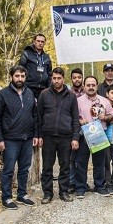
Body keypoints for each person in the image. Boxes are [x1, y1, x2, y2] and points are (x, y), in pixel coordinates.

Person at [0, 65, 40, 209]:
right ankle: (6, 197)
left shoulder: (30, 94)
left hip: (27, 138)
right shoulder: (2, 95)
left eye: (22, 76)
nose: (20, 79)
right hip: (10, 139)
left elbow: (35, 115)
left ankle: (22, 194)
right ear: (11, 77)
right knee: (8, 169)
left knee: (24, 168)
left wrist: (36, 134)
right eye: (17, 76)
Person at [37, 67, 79, 204]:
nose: (56, 81)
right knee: (47, 167)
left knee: (65, 166)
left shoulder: (71, 96)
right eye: (54, 78)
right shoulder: (44, 94)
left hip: (65, 137)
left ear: (63, 79)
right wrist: (39, 135)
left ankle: (64, 192)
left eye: (59, 78)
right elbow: (39, 116)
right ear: (51, 79)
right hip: (48, 136)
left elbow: (75, 119)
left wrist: (75, 138)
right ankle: (47, 193)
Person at [74, 76, 113, 198]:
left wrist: (105, 118)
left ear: (97, 86)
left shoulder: (104, 101)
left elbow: (111, 116)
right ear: (84, 86)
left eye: (93, 85)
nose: (91, 87)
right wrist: (80, 120)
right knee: (81, 163)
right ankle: (80, 187)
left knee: (99, 163)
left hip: (99, 136)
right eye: (88, 85)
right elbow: (73, 116)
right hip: (84, 135)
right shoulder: (78, 101)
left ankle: (99, 186)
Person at [19, 33, 52, 99]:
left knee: (41, 109)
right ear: (34, 42)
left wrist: (49, 89)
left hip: (43, 89)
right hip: (29, 88)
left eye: (42, 42)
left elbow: (50, 74)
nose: (40, 43)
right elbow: (20, 70)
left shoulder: (47, 57)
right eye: (38, 41)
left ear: (44, 43)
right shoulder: (26, 53)